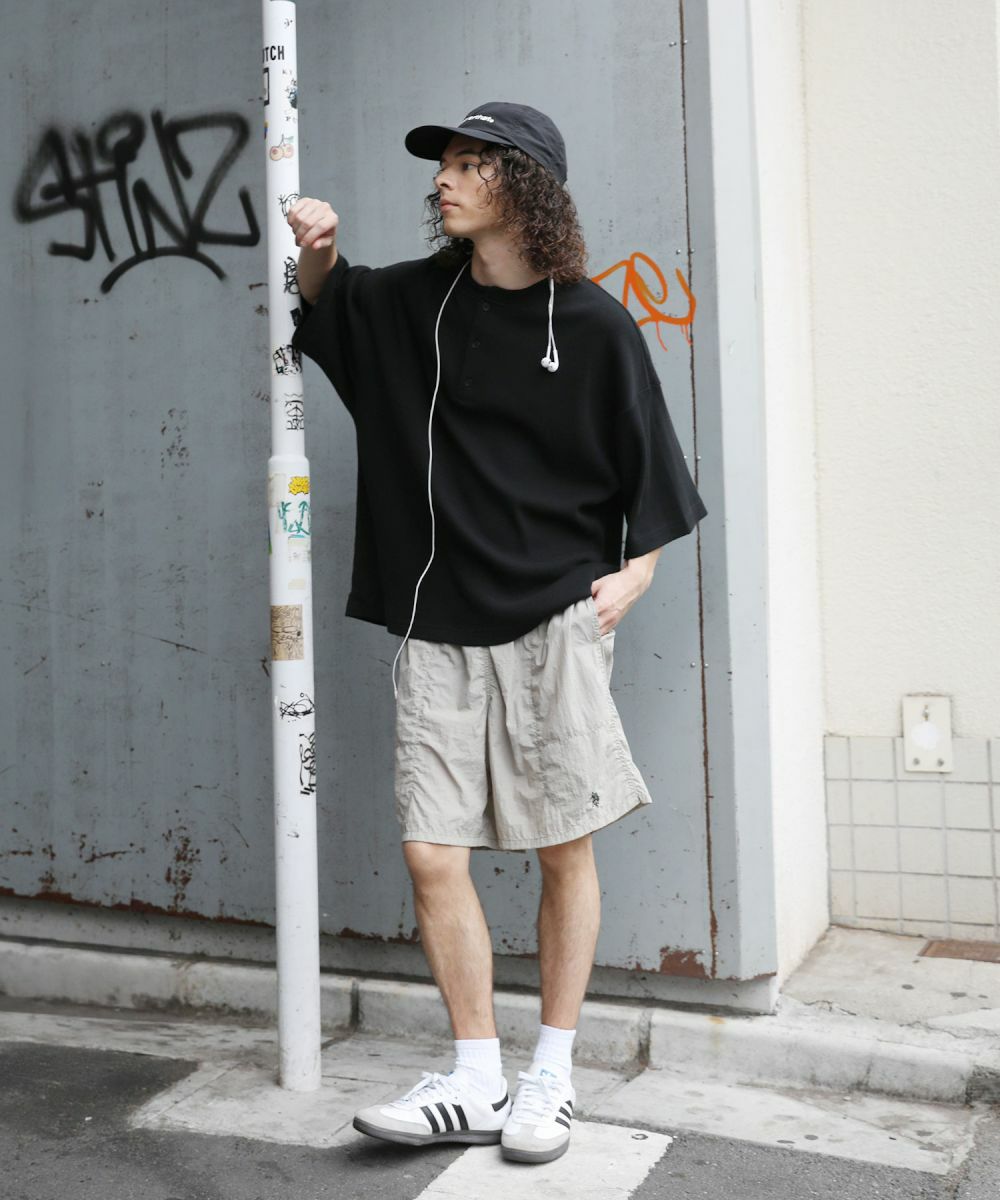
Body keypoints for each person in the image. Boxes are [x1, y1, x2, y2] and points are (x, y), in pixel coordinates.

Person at [287, 101, 707, 1165]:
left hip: (553, 619)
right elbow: (332, 306)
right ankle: (477, 1076)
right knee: (433, 851)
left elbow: (653, 472)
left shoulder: (594, 324)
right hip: (438, 620)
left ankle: (551, 1077)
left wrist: (637, 574)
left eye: (473, 164)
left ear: (526, 187)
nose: (445, 179)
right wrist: (317, 251)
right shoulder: (417, 301)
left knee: (562, 847)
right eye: (446, 163)